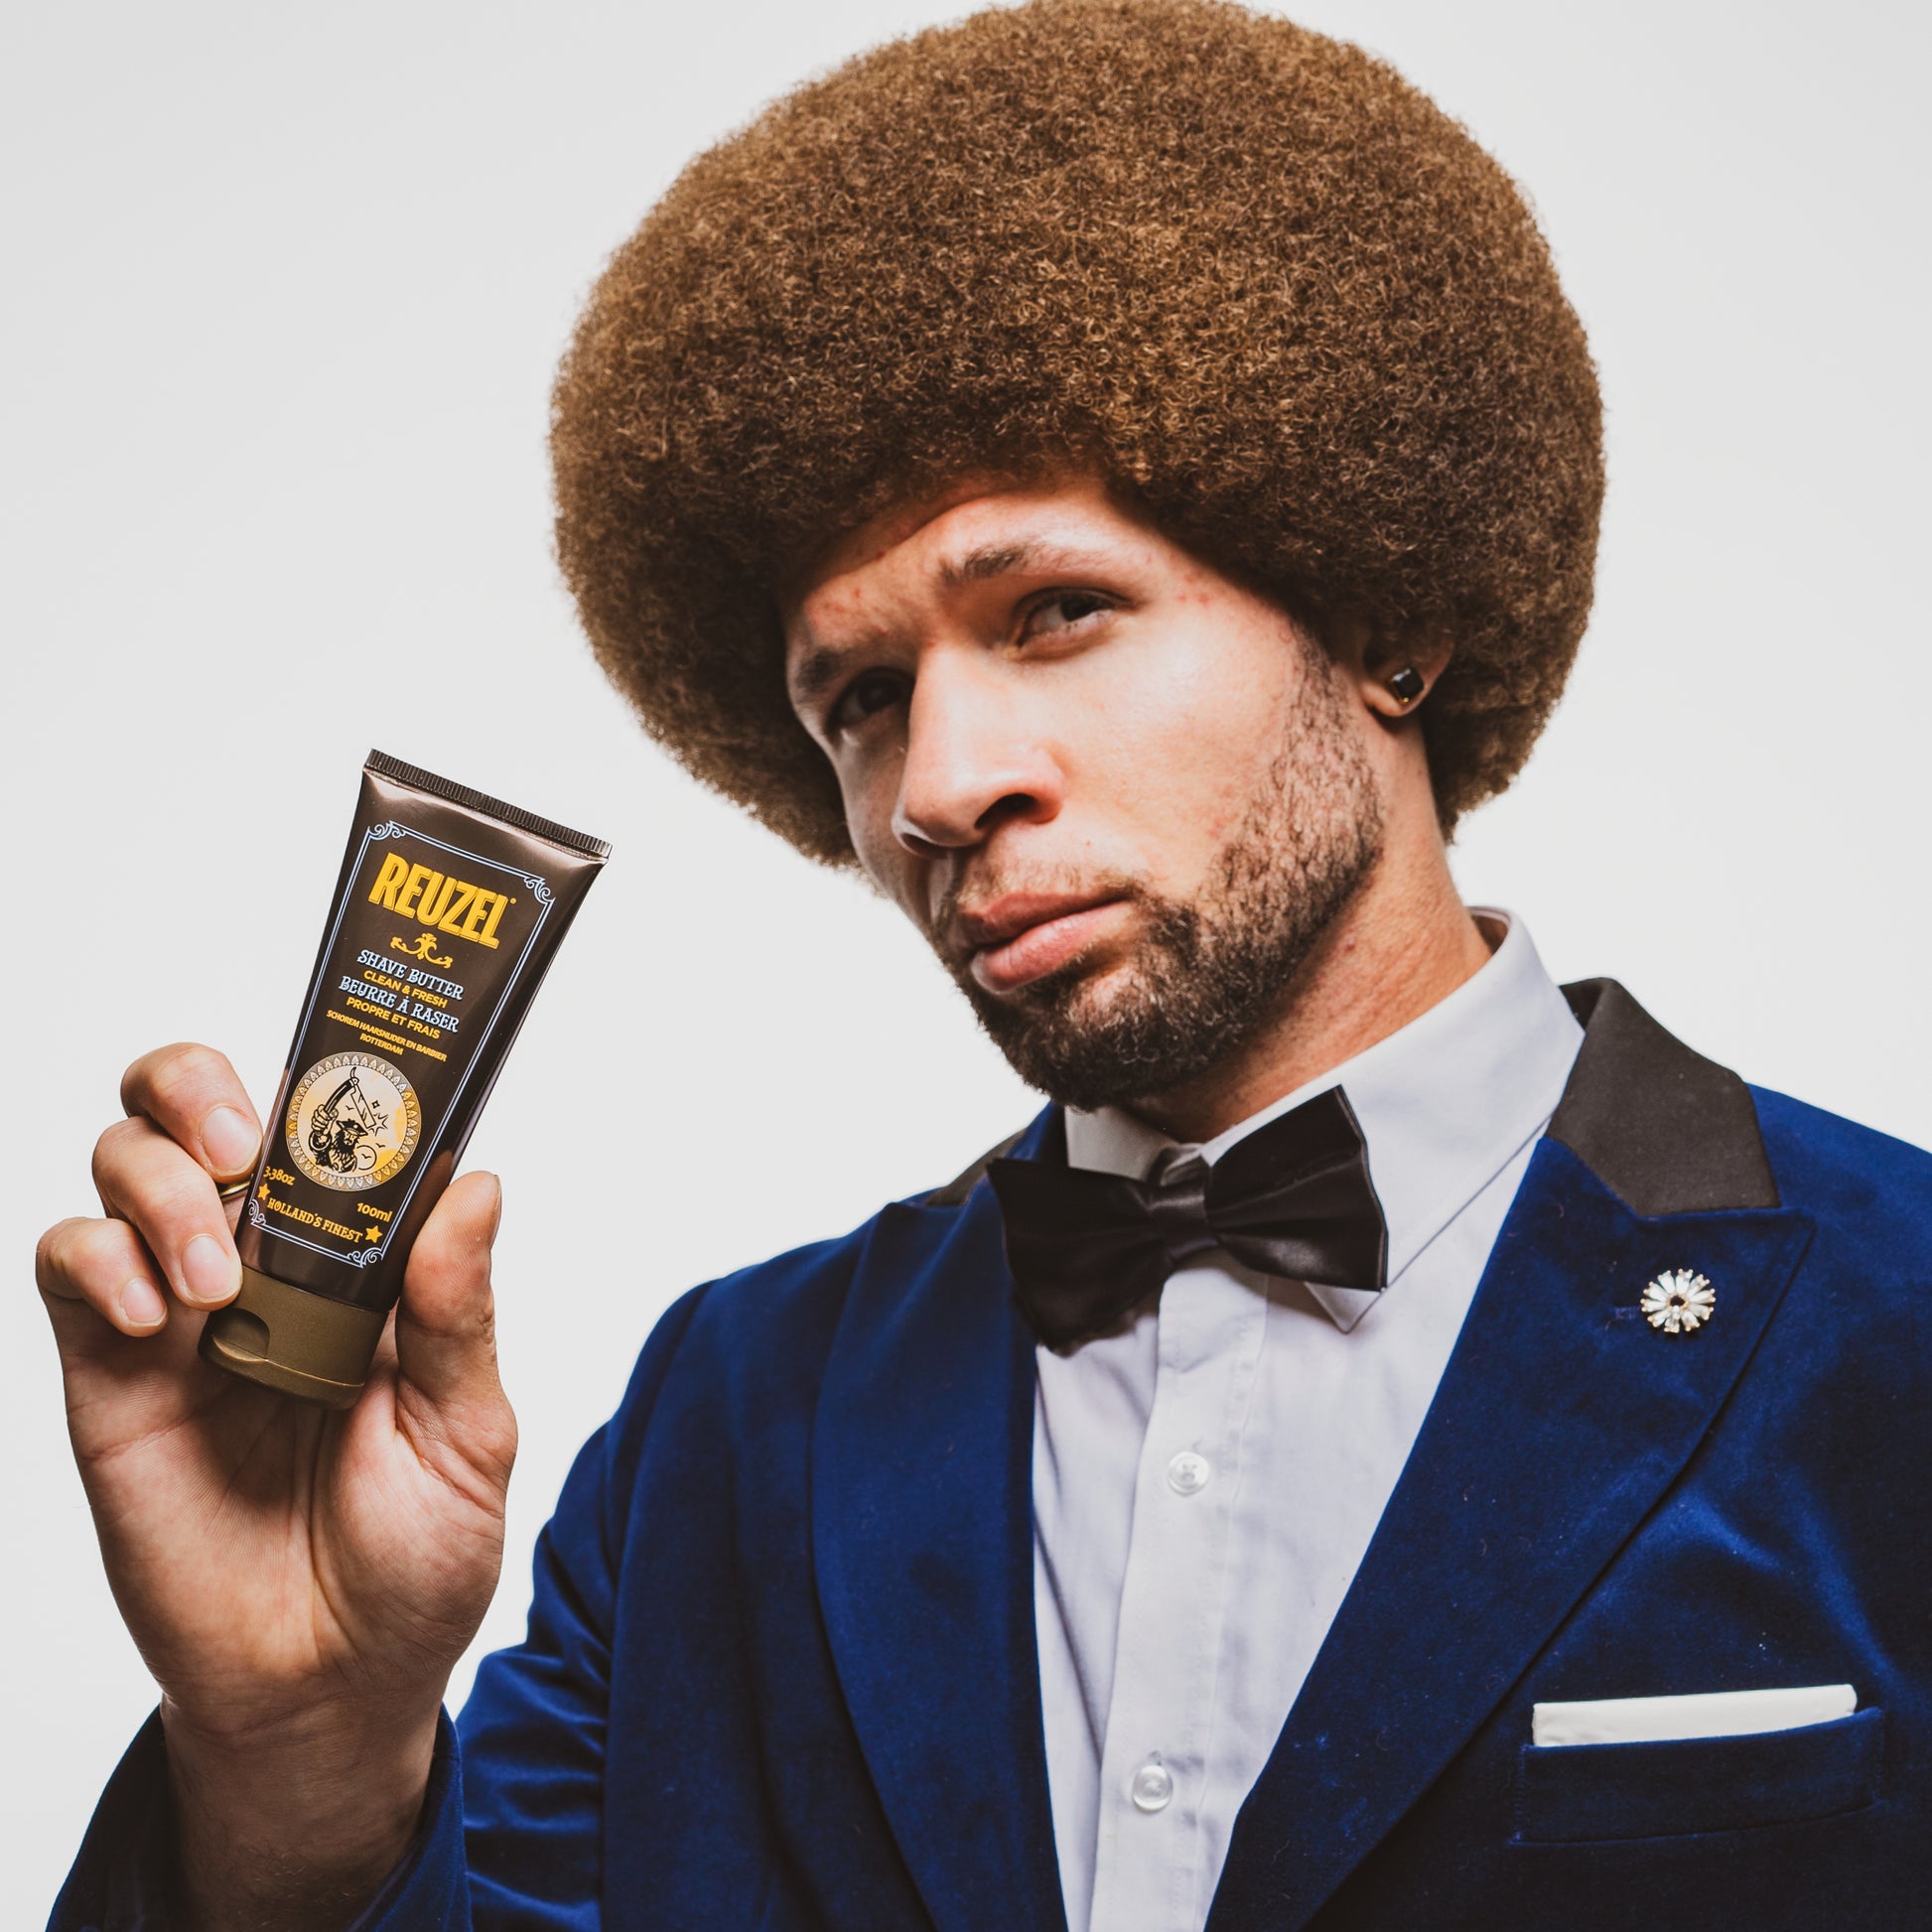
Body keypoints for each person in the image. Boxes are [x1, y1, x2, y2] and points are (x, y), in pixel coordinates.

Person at [39, 2, 1930, 1927]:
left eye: (1055, 611)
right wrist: (297, 1749)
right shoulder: (729, 1418)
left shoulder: (1901, 1319)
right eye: (857, 701)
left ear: (1383, 607)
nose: (935, 785)